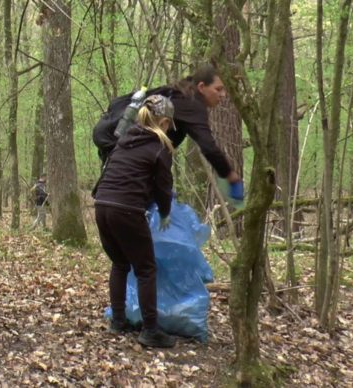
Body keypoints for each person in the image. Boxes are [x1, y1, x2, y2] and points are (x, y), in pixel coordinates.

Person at [93, 95, 177, 348]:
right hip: (127, 210)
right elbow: (163, 187)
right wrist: (165, 212)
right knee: (146, 269)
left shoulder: (124, 140)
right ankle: (151, 330)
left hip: (101, 206)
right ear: (163, 122)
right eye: (169, 124)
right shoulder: (159, 147)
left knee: (120, 263)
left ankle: (118, 321)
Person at [94, 65, 244, 201]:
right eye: (218, 89)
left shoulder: (177, 93)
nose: (223, 95)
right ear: (201, 87)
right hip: (117, 137)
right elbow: (209, 147)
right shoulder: (192, 104)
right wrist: (230, 175)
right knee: (131, 198)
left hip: (109, 131)